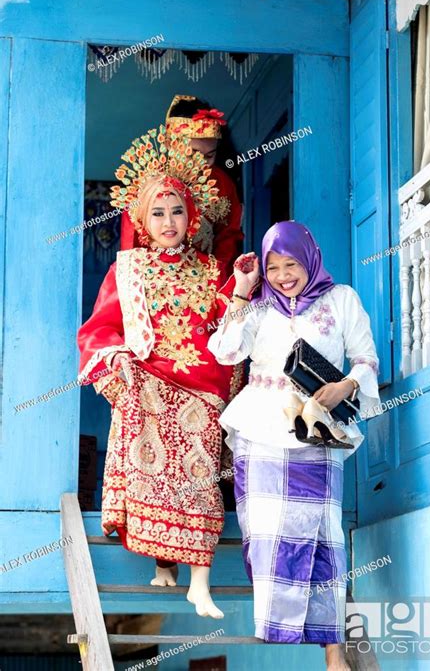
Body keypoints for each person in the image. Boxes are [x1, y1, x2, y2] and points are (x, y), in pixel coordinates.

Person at [77, 126, 238, 619]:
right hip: (148, 384)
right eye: (159, 212)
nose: (169, 221)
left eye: (178, 211)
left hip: (202, 392)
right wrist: (118, 357)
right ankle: (163, 561)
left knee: (199, 480)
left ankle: (198, 581)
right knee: (152, 472)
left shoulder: (213, 270)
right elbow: (100, 329)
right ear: (142, 219)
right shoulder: (126, 270)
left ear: (193, 216)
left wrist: (244, 290)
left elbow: (228, 326)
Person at [208, 221, 380, 668]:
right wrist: (243, 291)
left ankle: (333, 650)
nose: (285, 275)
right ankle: (276, 624)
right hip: (260, 427)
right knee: (265, 532)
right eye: (275, 267)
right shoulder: (257, 306)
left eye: (292, 265)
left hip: (317, 428)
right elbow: (225, 351)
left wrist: (345, 387)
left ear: (310, 259)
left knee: (322, 534)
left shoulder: (342, 299)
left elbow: (366, 359)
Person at [120, 95, 243, 277]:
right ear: (171, 144)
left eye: (209, 156)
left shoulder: (223, 184)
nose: (202, 164)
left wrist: (216, 280)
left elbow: (228, 239)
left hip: (207, 283)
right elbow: (132, 245)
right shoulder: (147, 187)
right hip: (155, 281)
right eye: (193, 153)